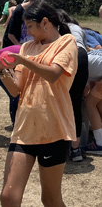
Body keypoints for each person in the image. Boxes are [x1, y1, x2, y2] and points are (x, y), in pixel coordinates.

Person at [0, 0, 78, 206]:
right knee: (8, 196)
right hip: (24, 129)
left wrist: (22, 61)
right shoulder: (27, 48)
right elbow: (16, 90)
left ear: (46, 23)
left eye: (30, 26)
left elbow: (54, 75)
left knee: (50, 199)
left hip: (54, 130)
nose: (28, 32)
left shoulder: (66, 42)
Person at [57, 9, 89, 162]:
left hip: (68, 56)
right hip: (83, 57)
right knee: (76, 103)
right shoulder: (78, 28)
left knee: (61, 101)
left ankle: (61, 145)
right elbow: (86, 48)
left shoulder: (58, 26)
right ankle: (76, 150)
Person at [81, 49, 102, 154]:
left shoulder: (79, 61)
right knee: (98, 103)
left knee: (90, 103)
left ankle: (100, 144)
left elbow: (85, 90)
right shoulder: (89, 55)